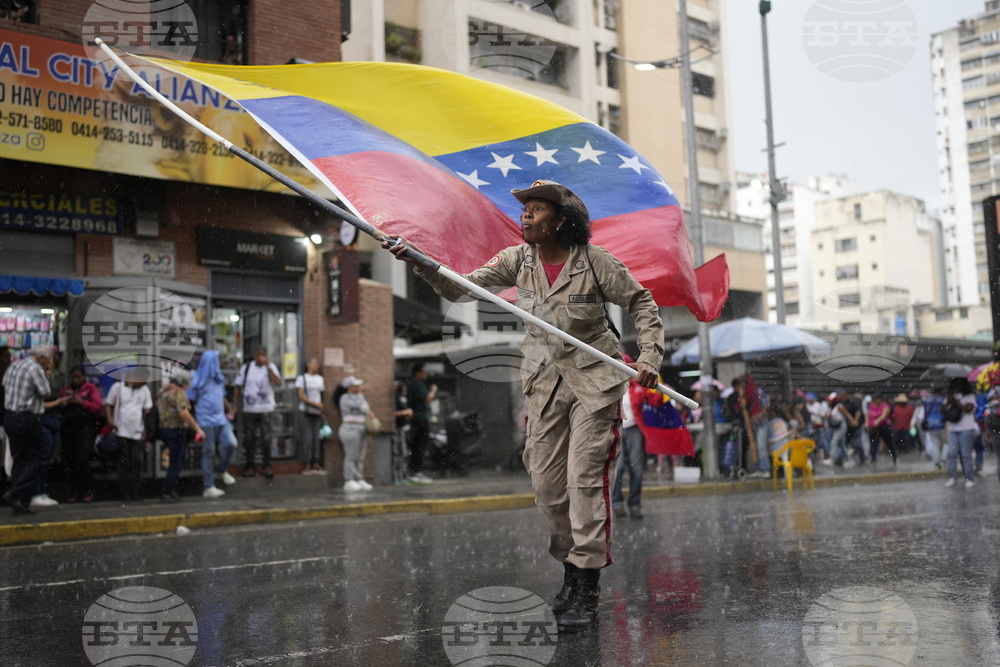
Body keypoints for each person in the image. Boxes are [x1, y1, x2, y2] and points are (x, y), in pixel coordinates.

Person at [384, 179, 663, 633]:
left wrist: (649, 356)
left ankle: (587, 591)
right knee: (550, 490)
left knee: (584, 481)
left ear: (562, 221)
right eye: (526, 210)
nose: (526, 216)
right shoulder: (518, 261)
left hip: (594, 383)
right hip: (544, 383)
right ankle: (571, 574)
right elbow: (461, 288)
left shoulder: (595, 264)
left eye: (536, 210)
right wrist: (418, 261)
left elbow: (642, 303)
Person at [2, 345, 67, 515]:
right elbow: (46, 393)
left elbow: (5, 387)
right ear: (41, 358)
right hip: (27, 418)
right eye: (48, 359)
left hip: (10, 417)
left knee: (20, 458)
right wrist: (47, 378)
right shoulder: (35, 368)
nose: (49, 363)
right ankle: (16, 492)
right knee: (40, 455)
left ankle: (20, 503)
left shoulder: (14, 366)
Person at [187, 350, 238, 497]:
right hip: (205, 422)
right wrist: (194, 423)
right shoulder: (196, 379)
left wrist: (230, 410)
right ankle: (208, 487)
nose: (218, 362)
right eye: (216, 360)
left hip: (221, 420)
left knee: (231, 444)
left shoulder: (218, 378)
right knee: (208, 452)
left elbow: (222, 398)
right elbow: (190, 401)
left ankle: (222, 470)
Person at [157, 369, 206, 502]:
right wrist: (197, 429)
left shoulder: (163, 391)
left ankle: (170, 489)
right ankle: (167, 491)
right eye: (187, 382)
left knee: (177, 459)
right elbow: (183, 413)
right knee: (176, 461)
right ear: (182, 382)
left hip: (164, 430)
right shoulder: (179, 393)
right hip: (176, 430)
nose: (189, 385)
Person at [233, 346, 281, 480]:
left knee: (266, 438)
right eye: (259, 355)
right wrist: (235, 405)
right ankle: (250, 466)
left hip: (266, 409)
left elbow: (277, 382)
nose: (261, 358)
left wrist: (269, 368)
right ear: (254, 356)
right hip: (250, 409)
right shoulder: (246, 368)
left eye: (263, 355)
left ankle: (267, 466)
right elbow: (237, 387)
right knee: (250, 439)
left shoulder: (270, 367)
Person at [58, 366, 104, 503]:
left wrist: (82, 402)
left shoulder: (91, 389)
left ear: (84, 376)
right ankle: (73, 491)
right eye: (74, 377)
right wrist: (65, 402)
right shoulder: (66, 390)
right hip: (69, 427)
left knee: (82, 458)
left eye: (79, 377)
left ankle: (87, 490)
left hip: (85, 426)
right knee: (70, 460)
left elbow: (98, 406)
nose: (76, 380)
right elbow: (58, 403)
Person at [105, 373, 153, 501]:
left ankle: (135, 491)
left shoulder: (144, 390)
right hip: (121, 430)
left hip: (138, 433)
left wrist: (145, 426)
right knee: (123, 463)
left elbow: (147, 410)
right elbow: (108, 404)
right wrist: (110, 420)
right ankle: (125, 492)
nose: (144, 384)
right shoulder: (118, 387)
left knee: (138, 461)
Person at [612, 358, 645, 520]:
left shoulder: (637, 386)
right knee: (617, 469)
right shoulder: (610, 385)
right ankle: (617, 503)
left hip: (634, 430)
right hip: (616, 429)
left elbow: (652, 401)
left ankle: (634, 505)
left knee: (636, 469)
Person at [339, 378, 374, 492]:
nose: (358, 387)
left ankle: (359, 478)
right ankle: (349, 480)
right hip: (350, 428)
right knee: (351, 455)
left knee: (360, 455)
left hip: (361, 427)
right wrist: (361, 394)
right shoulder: (344, 398)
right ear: (349, 387)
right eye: (355, 385)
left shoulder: (360, 396)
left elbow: (366, 409)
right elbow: (359, 406)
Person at [405, 363, 437, 484]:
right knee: (420, 446)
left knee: (419, 446)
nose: (426, 375)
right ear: (417, 373)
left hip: (419, 419)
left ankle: (416, 471)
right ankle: (415, 472)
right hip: (419, 419)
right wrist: (433, 390)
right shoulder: (416, 384)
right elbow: (428, 398)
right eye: (424, 372)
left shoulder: (416, 384)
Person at [944, 377, 978, 488]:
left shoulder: (970, 396)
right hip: (953, 429)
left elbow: (969, 409)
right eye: (956, 384)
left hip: (966, 428)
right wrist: (948, 402)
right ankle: (952, 477)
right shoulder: (951, 397)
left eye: (960, 384)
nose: (958, 387)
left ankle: (969, 478)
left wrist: (956, 402)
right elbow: (942, 410)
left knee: (966, 454)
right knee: (951, 454)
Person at [295, 357, 326, 474]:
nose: (317, 365)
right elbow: (301, 396)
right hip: (306, 411)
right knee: (307, 438)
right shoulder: (302, 378)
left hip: (317, 412)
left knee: (316, 438)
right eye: (315, 363)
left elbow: (321, 395)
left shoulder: (320, 379)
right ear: (308, 364)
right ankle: (307, 463)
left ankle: (316, 462)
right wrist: (315, 404)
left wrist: (321, 409)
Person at [913, 388, 946, 469]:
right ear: (941, 392)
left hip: (930, 424)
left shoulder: (928, 401)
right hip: (941, 424)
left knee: (934, 443)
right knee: (944, 443)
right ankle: (943, 460)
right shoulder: (943, 400)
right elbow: (945, 411)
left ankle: (936, 461)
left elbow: (926, 412)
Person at [392, 381, 413, 485]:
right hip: (396, 428)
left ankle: (402, 475)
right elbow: (391, 413)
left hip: (401, 427)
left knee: (403, 453)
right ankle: (396, 477)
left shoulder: (401, 399)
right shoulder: (394, 398)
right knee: (397, 452)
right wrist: (405, 412)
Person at [867, 395, 896, 466]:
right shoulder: (872, 406)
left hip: (884, 427)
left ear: (880, 399)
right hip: (873, 428)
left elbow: (884, 415)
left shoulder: (885, 406)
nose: (875, 402)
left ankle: (894, 457)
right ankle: (873, 459)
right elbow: (868, 415)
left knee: (889, 443)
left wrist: (878, 420)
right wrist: (866, 423)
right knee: (873, 443)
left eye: (876, 400)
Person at [823, 392, 850, 467]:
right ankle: (849, 459)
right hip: (836, 427)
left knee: (833, 442)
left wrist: (853, 421)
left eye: (830, 400)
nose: (828, 401)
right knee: (842, 445)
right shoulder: (831, 407)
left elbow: (847, 414)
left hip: (841, 426)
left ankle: (831, 459)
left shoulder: (839, 406)